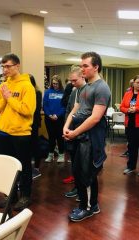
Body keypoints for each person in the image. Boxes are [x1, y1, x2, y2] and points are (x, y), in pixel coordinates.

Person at [63, 52, 111, 222]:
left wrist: (75, 132)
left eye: (85, 66)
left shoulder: (101, 87)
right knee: (79, 172)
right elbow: (78, 110)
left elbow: (95, 117)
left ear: (96, 67)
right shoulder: (85, 87)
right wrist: (68, 128)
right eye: (81, 65)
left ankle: (88, 207)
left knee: (87, 173)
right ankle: (90, 204)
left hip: (91, 139)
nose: (82, 69)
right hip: (81, 137)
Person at [0, 53, 36, 211]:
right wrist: (5, 97)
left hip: (21, 134)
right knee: (9, 167)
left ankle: (25, 196)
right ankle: (12, 195)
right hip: (4, 133)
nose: (4, 69)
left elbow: (27, 110)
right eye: (2, 66)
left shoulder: (26, 86)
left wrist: (9, 98)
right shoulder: (3, 86)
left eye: (8, 66)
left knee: (23, 167)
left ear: (17, 66)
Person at [64, 65, 87, 197]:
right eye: (70, 81)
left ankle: (82, 190)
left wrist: (76, 130)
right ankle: (77, 187)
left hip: (82, 133)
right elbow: (69, 109)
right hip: (71, 131)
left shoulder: (88, 90)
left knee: (83, 164)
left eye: (74, 81)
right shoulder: (74, 91)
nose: (72, 84)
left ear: (82, 77)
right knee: (74, 162)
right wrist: (66, 127)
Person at [120, 75, 139, 177]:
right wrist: (127, 110)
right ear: (134, 83)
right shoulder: (128, 94)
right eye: (138, 82)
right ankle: (131, 166)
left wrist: (136, 109)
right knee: (131, 147)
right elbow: (122, 106)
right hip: (130, 124)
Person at [43, 75, 66, 163]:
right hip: (49, 119)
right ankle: (50, 154)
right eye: (53, 83)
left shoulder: (63, 92)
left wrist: (57, 115)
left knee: (60, 138)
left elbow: (64, 107)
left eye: (56, 83)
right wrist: (49, 115)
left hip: (59, 119)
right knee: (51, 137)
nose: (55, 85)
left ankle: (61, 155)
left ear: (59, 83)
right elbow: (45, 105)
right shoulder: (48, 92)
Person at [29, 74, 43, 179]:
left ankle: (37, 167)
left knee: (34, 144)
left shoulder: (37, 92)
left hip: (33, 122)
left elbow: (35, 109)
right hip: (26, 123)